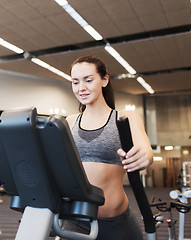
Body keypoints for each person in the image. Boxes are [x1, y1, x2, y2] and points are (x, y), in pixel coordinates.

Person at [65, 55, 153, 240]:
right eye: (75, 82)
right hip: (77, 221)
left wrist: (143, 155)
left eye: (88, 80)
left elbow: (145, 148)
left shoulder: (125, 117)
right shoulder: (70, 122)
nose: (81, 88)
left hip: (116, 223)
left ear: (104, 80)